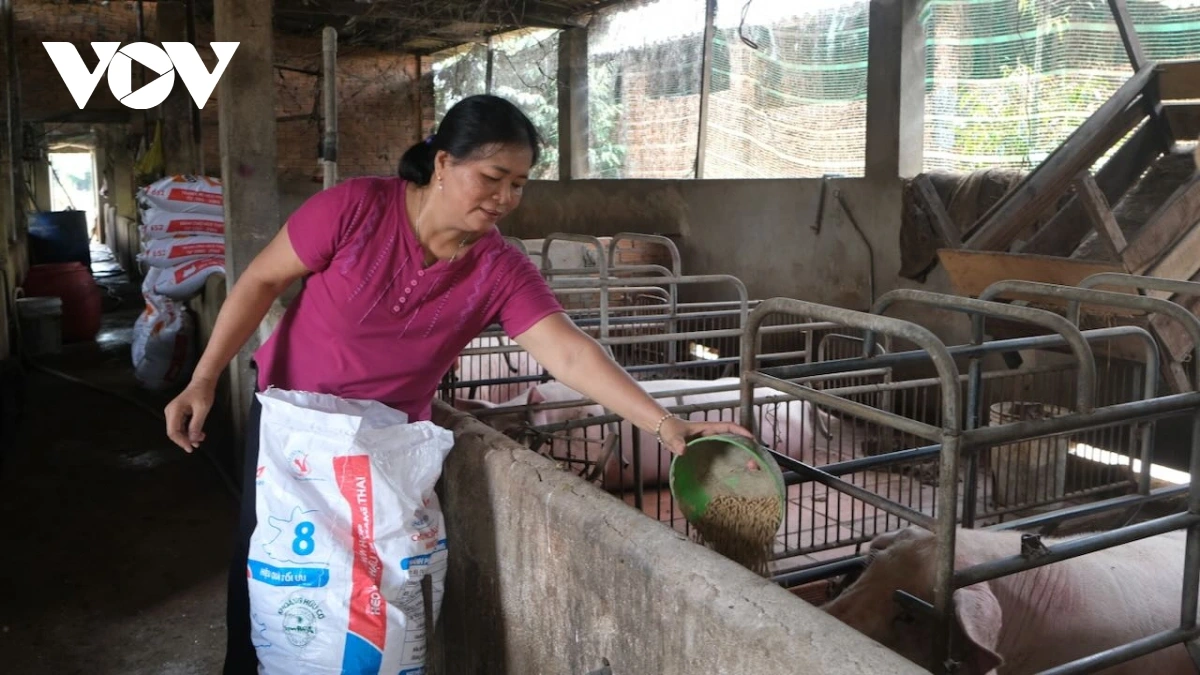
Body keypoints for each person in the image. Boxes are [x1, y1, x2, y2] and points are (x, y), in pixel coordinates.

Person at [162, 94, 752, 673]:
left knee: (378, 583)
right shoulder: (356, 208)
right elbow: (261, 281)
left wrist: (667, 425)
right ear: (443, 163)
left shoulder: (500, 268)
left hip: (386, 446)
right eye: (493, 177)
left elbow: (569, 353)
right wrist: (204, 377)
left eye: (519, 184)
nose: (506, 198)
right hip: (294, 425)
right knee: (269, 566)